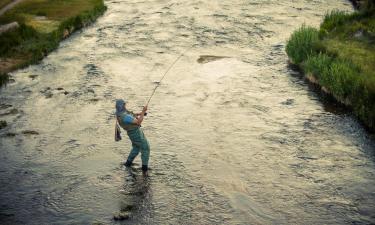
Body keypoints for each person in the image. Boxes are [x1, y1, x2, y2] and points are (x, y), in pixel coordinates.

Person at [115, 99, 150, 175]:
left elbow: (130, 116)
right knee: (145, 148)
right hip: (136, 134)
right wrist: (143, 111)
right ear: (122, 106)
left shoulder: (119, 114)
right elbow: (138, 122)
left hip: (131, 134)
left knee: (136, 148)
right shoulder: (125, 117)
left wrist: (140, 114)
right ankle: (145, 170)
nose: (125, 106)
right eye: (124, 105)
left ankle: (128, 163)